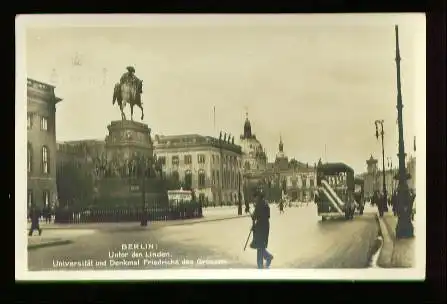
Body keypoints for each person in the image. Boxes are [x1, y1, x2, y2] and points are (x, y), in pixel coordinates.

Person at [250, 188, 273, 269]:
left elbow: (255, 217)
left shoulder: (259, 204)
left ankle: (261, 264)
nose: (254, 199)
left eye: (255, 197)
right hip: (265, 226)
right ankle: (268, 257)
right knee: (261, 245)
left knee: (260, 246)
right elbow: (268, 216)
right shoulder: (265, 203)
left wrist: (253, 215)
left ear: (258, 197)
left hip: (261, 226)